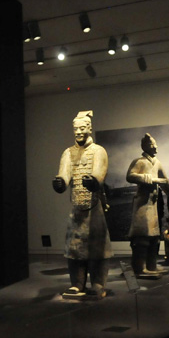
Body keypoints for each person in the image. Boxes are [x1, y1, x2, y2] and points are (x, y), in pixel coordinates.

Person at [53, 110, 112, 300]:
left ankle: (97, 283)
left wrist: (94, 181)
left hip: (94, 208)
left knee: (97, 247)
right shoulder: (68, 152)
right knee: (74, 247)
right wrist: (60, 182)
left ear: (89, 128)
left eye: (82, 128)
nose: (78, 131)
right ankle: (77, 284)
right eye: (75, 128)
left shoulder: (98, 151)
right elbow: (64, 173)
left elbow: (99, 173)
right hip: (77, 209)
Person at [126, 133, 169, 278]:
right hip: (142, 203)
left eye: (155, 144)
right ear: (144, 147)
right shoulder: (139, 162)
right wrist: (148, 178)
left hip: (153, 203)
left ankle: (151, 266)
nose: (155, 147)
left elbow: (165, 181)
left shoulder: (157, 162)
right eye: (152, 145)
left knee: (153, 237)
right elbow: (130, 176)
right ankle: (139, 268)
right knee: (142, 237)